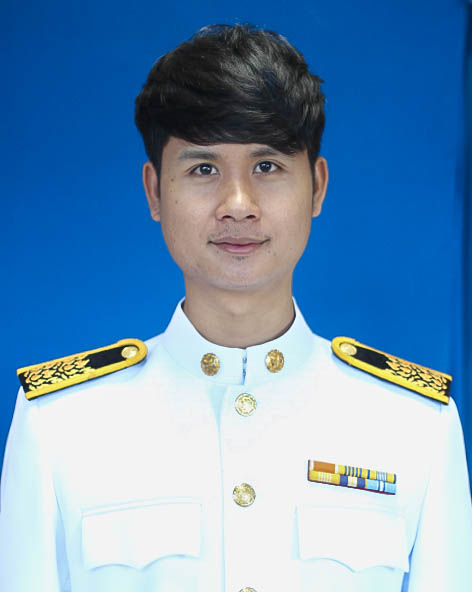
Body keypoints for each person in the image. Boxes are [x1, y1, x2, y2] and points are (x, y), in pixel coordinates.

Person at [0, 23, 471, 592]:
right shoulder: (59, 423)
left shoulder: (415, 425)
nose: (238, 205)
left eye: (267, 166)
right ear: (154, 191)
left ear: (317, 186)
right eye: (203, 169)